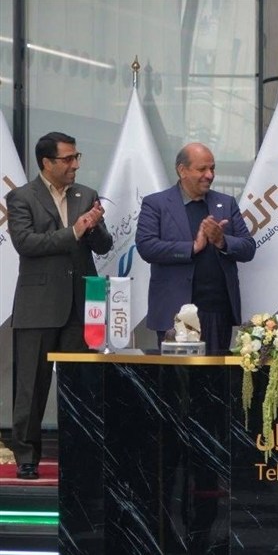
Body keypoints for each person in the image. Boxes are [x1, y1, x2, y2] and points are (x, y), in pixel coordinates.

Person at [7, 131, 112, 480]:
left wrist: (93, 227)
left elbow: (103, 246)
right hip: (38, 305)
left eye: (76, 157)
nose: (75, 165)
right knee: (31, 386)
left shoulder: (87, 195)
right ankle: (27, 456)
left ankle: (80, 454)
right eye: (68, 159)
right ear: (46, 163)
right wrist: (75, 231)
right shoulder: (22, 197)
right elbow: (26, 243)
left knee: (79, 385)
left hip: (80, 305)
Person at [136, 142, 256, 352]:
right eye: (202, 169)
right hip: (174, 313)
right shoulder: (156, 204)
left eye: (212, 168)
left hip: (217, 312)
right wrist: (192, 247)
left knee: (215, 372)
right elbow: (147, 246)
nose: (209, 175)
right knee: (178, 373)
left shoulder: (226, 203)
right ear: (182, 170)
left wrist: (222, 241)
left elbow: (248, 248)